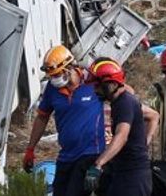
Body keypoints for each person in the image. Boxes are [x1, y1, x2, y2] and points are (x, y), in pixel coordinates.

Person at [23, 46, 106, 196]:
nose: (54, 79)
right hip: (66, 155)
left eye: (56, 75)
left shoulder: (92, 82)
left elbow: (121, 91)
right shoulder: (52, 89)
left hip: (90, 153)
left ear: (70, 67)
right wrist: (30, 149)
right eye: (51, 76)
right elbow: (42, 117)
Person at [87, 58, 153, 196]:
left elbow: (121, 136)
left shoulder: (125, 103)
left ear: (110, 84)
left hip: (133, 177)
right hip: (124, 172)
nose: (95, 90)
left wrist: (98, 164)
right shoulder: (118, 103)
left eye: (97, 86)